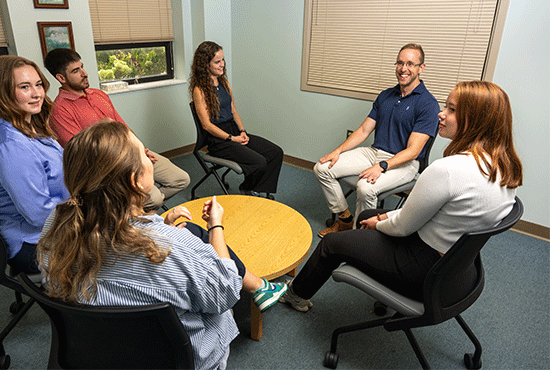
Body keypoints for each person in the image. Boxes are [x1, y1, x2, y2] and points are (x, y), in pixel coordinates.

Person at [37, 121, 287, 370]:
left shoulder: (54, 227)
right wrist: (215, 227)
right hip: (178, 361)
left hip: (98, 354)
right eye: (144, 152)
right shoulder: (172, 248)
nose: (150, 156)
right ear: (135, 181)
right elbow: (226, 293)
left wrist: (160, 226)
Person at [280, 81, 523, 312]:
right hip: (456, 268)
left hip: (423, 269)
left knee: (331, 244)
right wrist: (381, 217)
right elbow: (426, 211)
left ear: (477, 120)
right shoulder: (504, 168)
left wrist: (380, 223)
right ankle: (359, 243)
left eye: (452, 109)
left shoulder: (447, 170)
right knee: (366, 214)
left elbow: (404, 227)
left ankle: (295, 295)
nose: (442, 114)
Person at [314, 43, 440, 237]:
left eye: (410, 64)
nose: (403, 69)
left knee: (365, 188)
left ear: (421, 68)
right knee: (322, 168)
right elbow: (364, 130)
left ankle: (358, 238)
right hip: (374, 152)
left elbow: (413, 151)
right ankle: (345, 220)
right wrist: (337, 151)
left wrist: (382, 166)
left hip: (404, 162)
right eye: (400, 63)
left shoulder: (428, 104)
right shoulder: (386, 95)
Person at [43, 48, 189, 211]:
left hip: (133, 153)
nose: (84, 73)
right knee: (153, 198)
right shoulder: (59, 111)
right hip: (110, 168)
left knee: (181, 179)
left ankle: (133, 210)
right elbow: (83, 154)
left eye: (82, 67)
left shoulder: (98, 95)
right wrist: (128, 161)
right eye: (76, 71)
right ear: (61, 78)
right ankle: (137, 210)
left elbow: (123, 127)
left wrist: (141, 150)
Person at [0, 55, 69, 274]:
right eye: (24, 87)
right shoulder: (11, 147)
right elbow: (40, 215)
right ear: (4, 92)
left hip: (59, 221)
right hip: (35, 243)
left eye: (38, 84)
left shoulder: (30, 127)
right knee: (119, 252)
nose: (37, 93)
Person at [190, 41, 284, 198]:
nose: (222, 65)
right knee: (259, 162)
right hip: (219, 140)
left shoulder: (224, 83)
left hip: (234, 130)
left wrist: (242, 131)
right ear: (205, 65)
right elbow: (206, 125)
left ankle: (256, 187)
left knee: (276, 153)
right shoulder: (199, 90)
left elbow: (233, 110)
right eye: (217, 62)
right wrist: (232, 138)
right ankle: (246, 188)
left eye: (223, 60)